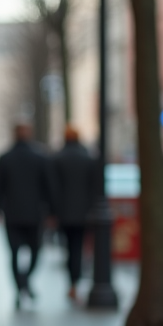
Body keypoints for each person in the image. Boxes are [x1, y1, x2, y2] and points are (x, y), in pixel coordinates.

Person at [0, 123, 53, 306]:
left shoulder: (5, 158)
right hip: (35, 213)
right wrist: (51, 211)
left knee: (14, 253)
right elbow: (49, 186)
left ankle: (19, 286)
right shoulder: (40, 157)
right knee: (36, 250)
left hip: (13, 214)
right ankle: (25, 282)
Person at [51, 125, 98, 301]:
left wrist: (53, 211)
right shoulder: (87, 158)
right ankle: (75, 281)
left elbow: (54, 189)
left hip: (64, 213)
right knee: (78, 247)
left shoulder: (57, 159)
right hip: (83, 212)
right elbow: (94, 188)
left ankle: (72, 281)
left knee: (69, 248)